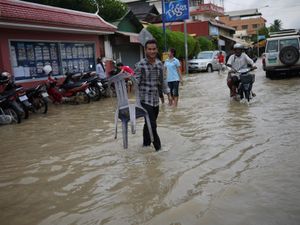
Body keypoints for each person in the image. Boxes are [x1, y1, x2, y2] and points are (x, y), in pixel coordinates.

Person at [134, 39, 163, 151]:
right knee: (152, 125)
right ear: (145, 50)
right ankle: (159, 149)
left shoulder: (160, 64)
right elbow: (136, 82)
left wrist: (166, 95)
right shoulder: (140, 65)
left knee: (149, 123)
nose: (152, 51)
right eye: (149, 49)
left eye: (154, 49)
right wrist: (131, 80)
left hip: (155, 100)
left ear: (157, 50)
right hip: (144, 100)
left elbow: (162, 81)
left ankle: (145, 146)